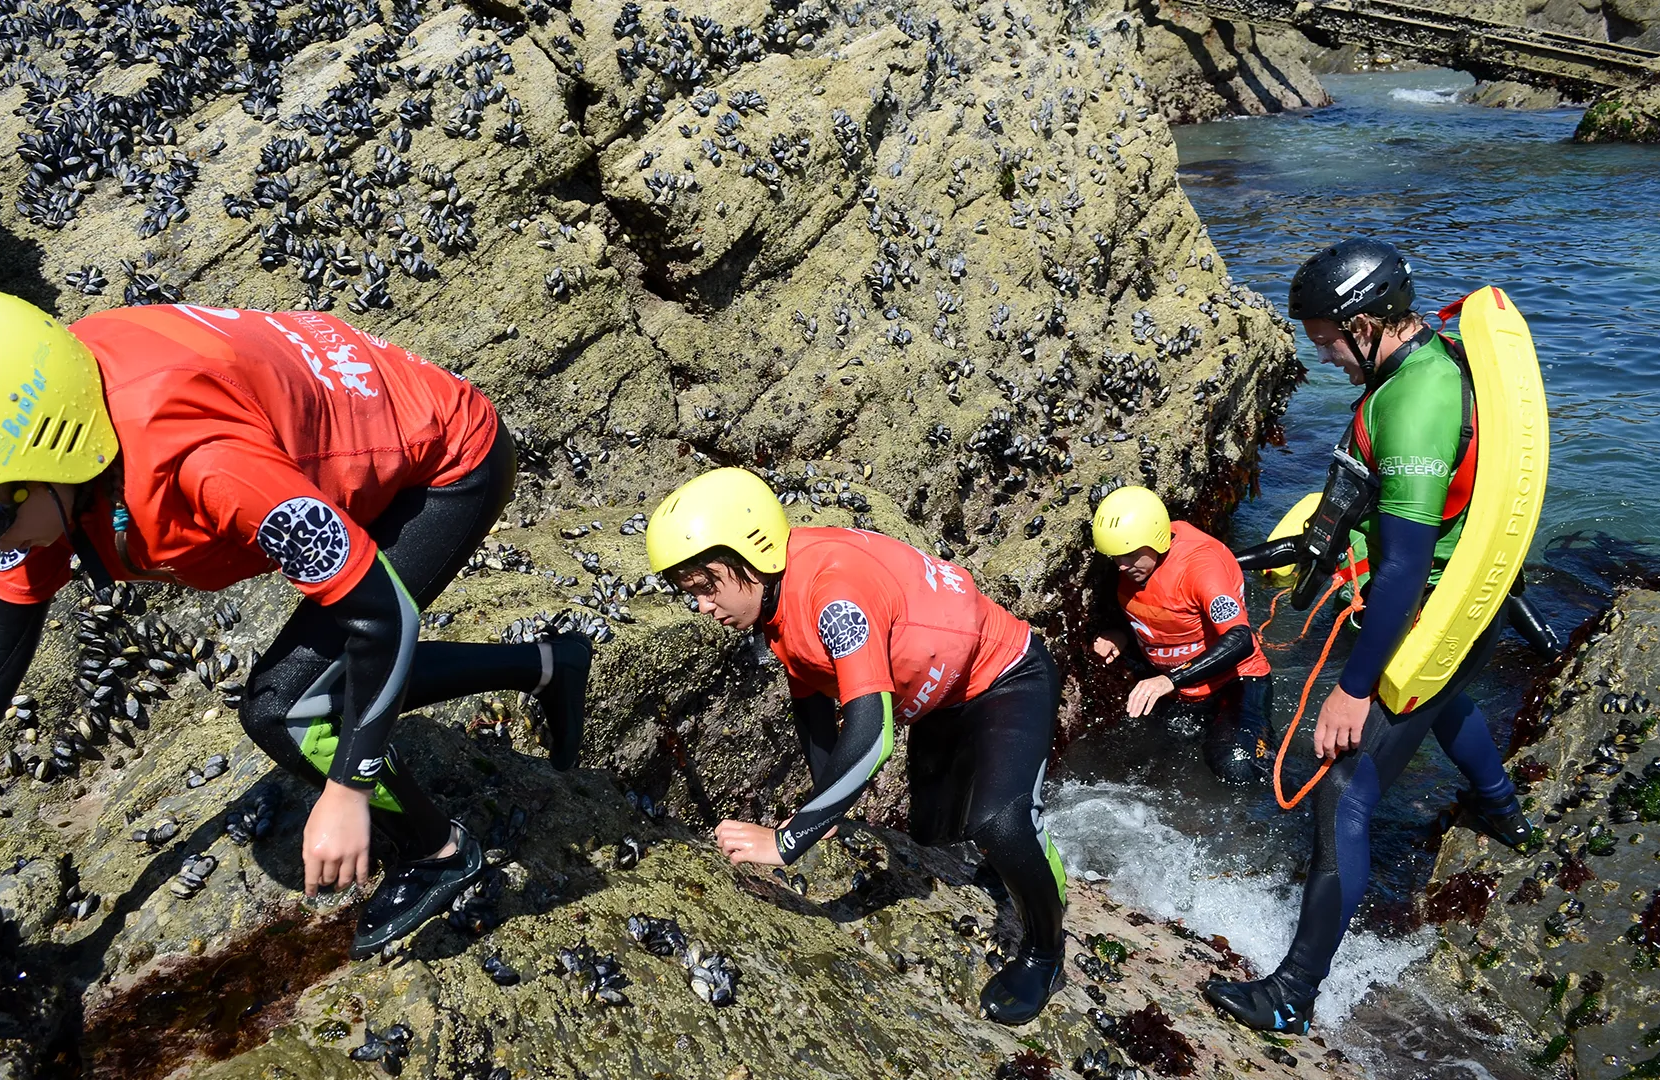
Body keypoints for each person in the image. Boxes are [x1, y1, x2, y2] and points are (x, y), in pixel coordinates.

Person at [0, 290, 593, 959]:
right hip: (350, 427)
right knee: (329, 681)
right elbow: (2, 628)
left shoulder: (201, 461)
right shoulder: (48, 424)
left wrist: (350, 789)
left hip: (443, 465)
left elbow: (381, 614)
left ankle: (440, 851)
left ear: (52, 453)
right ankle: (551, 664)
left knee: (285, 709)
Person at [1204, 240, 1536, 1032]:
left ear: (1363, 323)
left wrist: (1354, 693)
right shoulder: (1426, 360)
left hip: (1426, 613)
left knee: (1344, 797)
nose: (1322, 356)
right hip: (1468, 608)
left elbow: (1402, 569)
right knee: (1448, 708)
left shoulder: (1414, 402)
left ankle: (1293, 995)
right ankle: (1502, 810)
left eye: (1324, 339)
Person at [645, 468, 1068, 1025]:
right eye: (688, 594)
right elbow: (815, 704)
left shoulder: (833, 596)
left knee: (999, 823)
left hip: (1008, 675)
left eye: (707, 587)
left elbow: (871, 737)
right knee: (932, 833)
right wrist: (827, 810)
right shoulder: (774, 600)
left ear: (754, 554)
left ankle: (1046, 950)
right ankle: (1007, 863)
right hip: (942, 700)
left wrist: (791, 838)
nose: (701, 607)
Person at [1087, 486, 1272, 785]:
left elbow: (1240, 639)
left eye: (1130, 555)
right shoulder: (1133, 565)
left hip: (1233, 682)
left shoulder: (1200, 568)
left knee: (1237, 768)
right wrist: (1121, 633)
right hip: (1177, 688)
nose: (1122, 565)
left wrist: (1169, 680)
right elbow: (1161, 610)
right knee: (1136, 767)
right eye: (1115, 556)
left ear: (1157, 540)